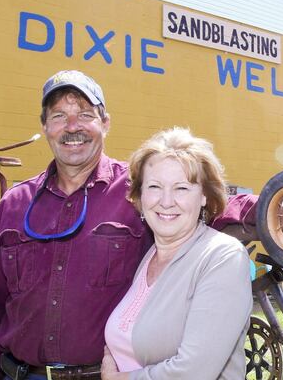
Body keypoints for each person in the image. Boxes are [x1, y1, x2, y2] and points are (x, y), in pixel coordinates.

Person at [0, 70, 255, 380]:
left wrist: (271, 207)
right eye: (59, 116)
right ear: (45, 127)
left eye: (85, 114)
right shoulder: (14, 204)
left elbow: (195, 204)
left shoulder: (137, 191)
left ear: (105, 123)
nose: (72, 127)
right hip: (23, 374)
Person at [101, 127, 252, 379]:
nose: (166, 201)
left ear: (204, 196)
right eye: (154, 186)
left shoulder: (222, 257)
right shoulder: (151, 255)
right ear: (140, 195)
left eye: (181, 188)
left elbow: (194, 371)